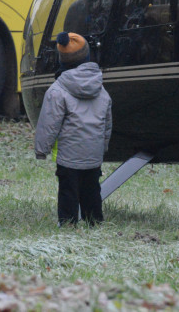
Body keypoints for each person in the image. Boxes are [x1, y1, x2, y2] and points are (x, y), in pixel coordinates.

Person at [34, 32, 112, 226]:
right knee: (92, 190)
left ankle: (68, 223)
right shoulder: (100, 88)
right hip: (93, 153)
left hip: (69, 155)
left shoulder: (57, 90)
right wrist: (103, 146)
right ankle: (94, 221)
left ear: (63, 60)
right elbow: (107, 123)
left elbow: (48, 123)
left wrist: (42, 149)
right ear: (87, 56)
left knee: (68, 190)